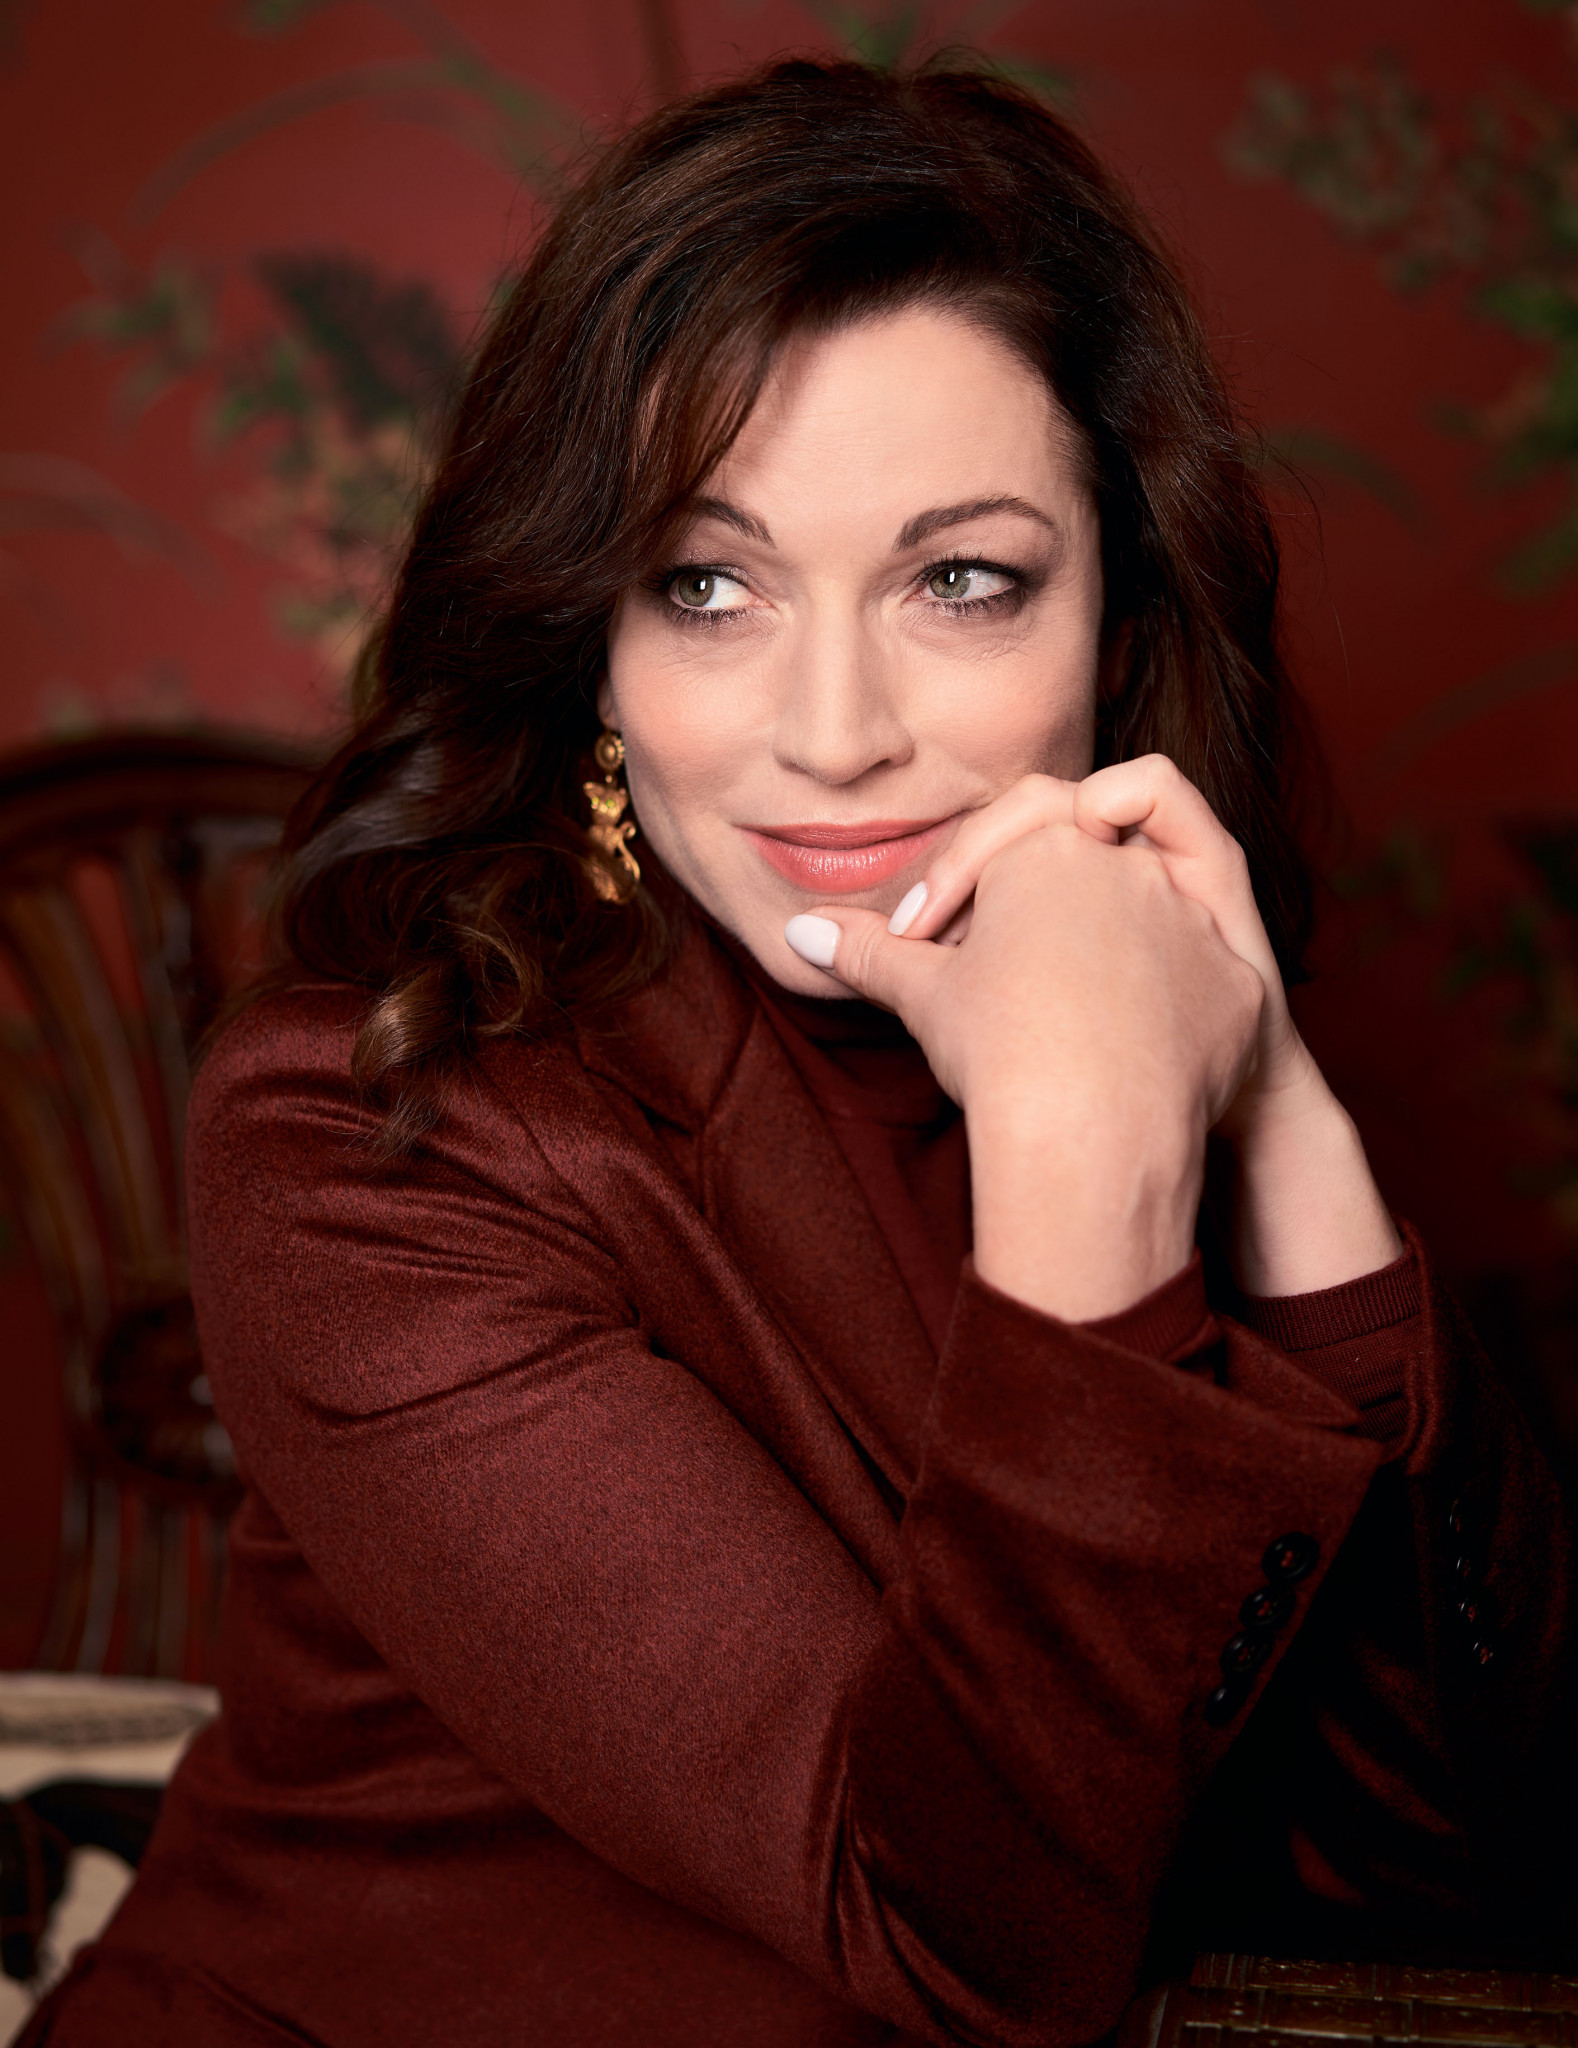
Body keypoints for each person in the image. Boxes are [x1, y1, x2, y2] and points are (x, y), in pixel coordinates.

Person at [26, 55, 1575, 2048]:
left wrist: (1277, 1112)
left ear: (1116, 622)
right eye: (708, 584)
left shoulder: (1135, 1015)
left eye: (959, 580)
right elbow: (968, 1943)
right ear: (592, 638)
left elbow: (1471, 1866)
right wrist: (1084, 1154)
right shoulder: (361, 1128)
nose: (833, 731)